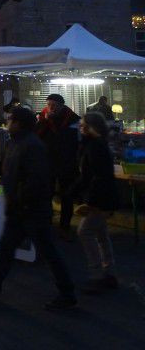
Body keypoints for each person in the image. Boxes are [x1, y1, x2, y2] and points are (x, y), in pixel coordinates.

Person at [0, 106, 77, 310]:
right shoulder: (14, 143)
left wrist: (20, 200)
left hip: (32, 210)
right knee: (6, 248)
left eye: (10, 119)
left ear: (19, 123)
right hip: (20, 209)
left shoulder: (33, 146)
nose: (7, 122)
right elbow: (2, 166)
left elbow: (37, 180)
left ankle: (67, 293)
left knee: (48, 251)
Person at [74, 111, 119, 294]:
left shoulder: (94, 146)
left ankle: (97, 274)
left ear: (90, 127)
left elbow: (95, 176)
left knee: (85, 231)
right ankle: (109, 272)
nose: (80, 127)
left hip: (99, 199)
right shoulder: (98, 144)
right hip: (104, 198)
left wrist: (89, 200)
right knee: (100, 233)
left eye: (83, 125)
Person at [37, 93, 81, 239]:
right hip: (47, 162)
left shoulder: (72, 119)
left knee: (66, 196)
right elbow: (36, 135)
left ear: (61, 106)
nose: (51, 108)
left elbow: (71, 140)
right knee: (46, 194)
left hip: (67, 163)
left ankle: (65, 226)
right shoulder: (43, 118)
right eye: (49, 105)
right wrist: (45, 121)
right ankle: (47, 224)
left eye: (54, 105)